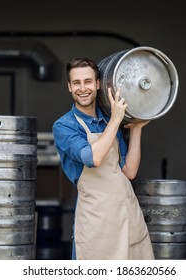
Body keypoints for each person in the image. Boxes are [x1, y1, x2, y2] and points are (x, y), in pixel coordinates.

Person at [52, 57, 154, 260]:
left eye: (88, 81)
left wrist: (135, 129)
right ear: (69, 87)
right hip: (97, 223)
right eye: (76, 83)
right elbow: (93, 158)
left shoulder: (108, 121)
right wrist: (116, 119)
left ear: (98, 84)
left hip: (127, 216)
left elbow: (130, 171)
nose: (83, 88)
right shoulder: (64, 126)